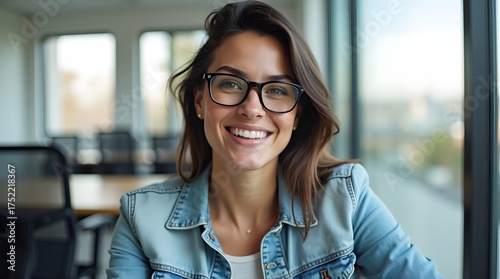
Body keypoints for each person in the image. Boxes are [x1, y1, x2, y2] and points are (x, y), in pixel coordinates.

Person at [107, 1, 442, 278]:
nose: (252, 108)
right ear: (199, 101)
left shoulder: (345, 200)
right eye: (230, 83)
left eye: (278, 90)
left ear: (298, 115)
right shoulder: (142, 218)